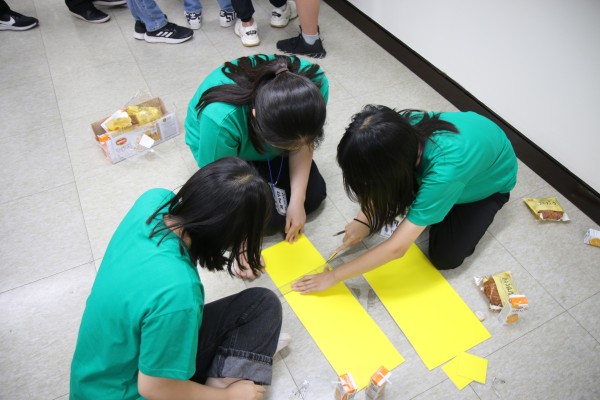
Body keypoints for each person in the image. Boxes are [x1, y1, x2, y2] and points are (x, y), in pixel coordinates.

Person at [70, 157, 283, 400]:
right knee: (262, 309)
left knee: (260, 304)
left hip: (95, 378)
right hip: (130, 391)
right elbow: (154, 388)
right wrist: (228, 396)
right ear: (227, 234)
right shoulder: (180, 292)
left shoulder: (154, 201)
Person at [292, 105, 518, 294]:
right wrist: (364, 219)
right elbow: (380, 181)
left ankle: (442, 205)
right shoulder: (390, 128)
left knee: (445, 258)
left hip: (488, 183)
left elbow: (396, 249)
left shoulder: (444, 171)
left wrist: (333, 276)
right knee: (405, 195)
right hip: (464, 155)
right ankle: (433, 205)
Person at [185, 54, 329, 242]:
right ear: (255, 116)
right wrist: (243, 245)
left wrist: (297, 200)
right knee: (264, 220)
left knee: (314, 196)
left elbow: (303, 143)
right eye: (286, 146)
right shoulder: (221, 119)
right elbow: (221, 183)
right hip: (225, 152)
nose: (294, 148)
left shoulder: (314, 86)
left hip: (273, 137)